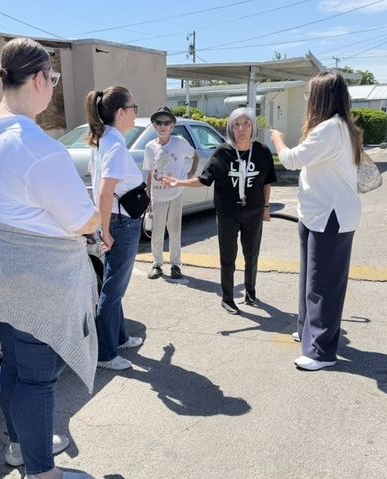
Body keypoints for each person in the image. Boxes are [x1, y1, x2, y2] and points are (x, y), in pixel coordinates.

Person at [0, 37, 101, 479]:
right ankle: (42, 477)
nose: (53, 88)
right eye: (54, 79)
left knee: (16, 366)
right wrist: (98, 214)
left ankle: (21, 446)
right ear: (42, 79)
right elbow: (82, 219)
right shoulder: (37, 146)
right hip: (37, 281)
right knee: (39, 378)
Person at [269, 71, 363, 371]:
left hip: (330, 216)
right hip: (317, 214)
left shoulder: (330, 130)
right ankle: (308, 331)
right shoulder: (337, 128)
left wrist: (278, 141)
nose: (308, 100)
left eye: (311, 94)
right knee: (311, 279)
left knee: (324, 284)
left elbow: (293, 159)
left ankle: (321, 351)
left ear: (322, 98)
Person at [163, 107, 276, 314]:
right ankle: (227, 297)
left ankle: (250, 291)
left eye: (246, 123)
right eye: (236, 124)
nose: (241, 128)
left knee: (252, 254)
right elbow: (204, 180)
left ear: (253, 127)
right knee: (228, 256)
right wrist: (179, 182)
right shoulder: (222, 152)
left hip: (253, 213)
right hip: (227, 214)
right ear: (231, 128)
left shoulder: (262, 152)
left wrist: (266, 207)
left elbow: (266, 182)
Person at [86, 85, 145, 371]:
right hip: (122, 223)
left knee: (115, 284)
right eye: (134, 108)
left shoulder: (106, 139)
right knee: (113, 288)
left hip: (119, 220)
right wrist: (106, 230)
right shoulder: (115, 143)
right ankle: (105, 353)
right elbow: (105, 192)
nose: (136, 113)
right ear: (121, 113)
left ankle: (118, 338)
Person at [143, 106, 198, 280]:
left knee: (174, 230)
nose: (163, 126)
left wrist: (189, 175)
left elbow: (195, 155)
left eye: (167, 123)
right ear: (154, 126)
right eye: (159, 123)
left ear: (172, 126)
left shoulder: (180, 143)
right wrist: (148, 197)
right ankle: (157, 264)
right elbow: (150, 172)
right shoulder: (149, 147)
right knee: (157, 230)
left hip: (176, 193)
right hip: (158, 194)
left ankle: (175, 265)